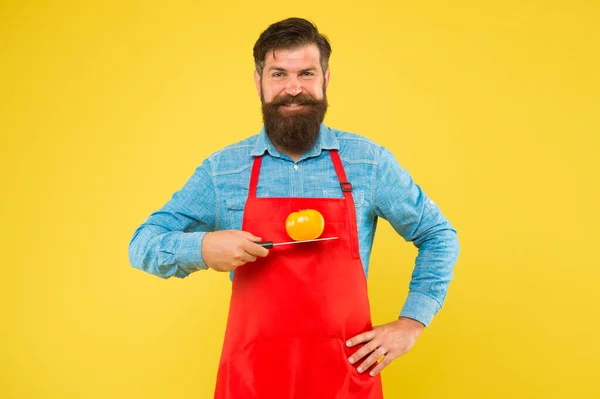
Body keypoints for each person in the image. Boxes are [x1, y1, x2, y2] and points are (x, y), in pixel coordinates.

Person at [129, 17, 459, 399]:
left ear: (325, 79)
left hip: (344, 377)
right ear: (258, 83)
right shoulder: (224, 170)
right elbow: (142, 244)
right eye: (278, 74)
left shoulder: (367, 162)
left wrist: (412, 322)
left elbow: (438, 235)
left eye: (306, 73)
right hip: (252, 378)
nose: (293, 89)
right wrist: (201, 248)